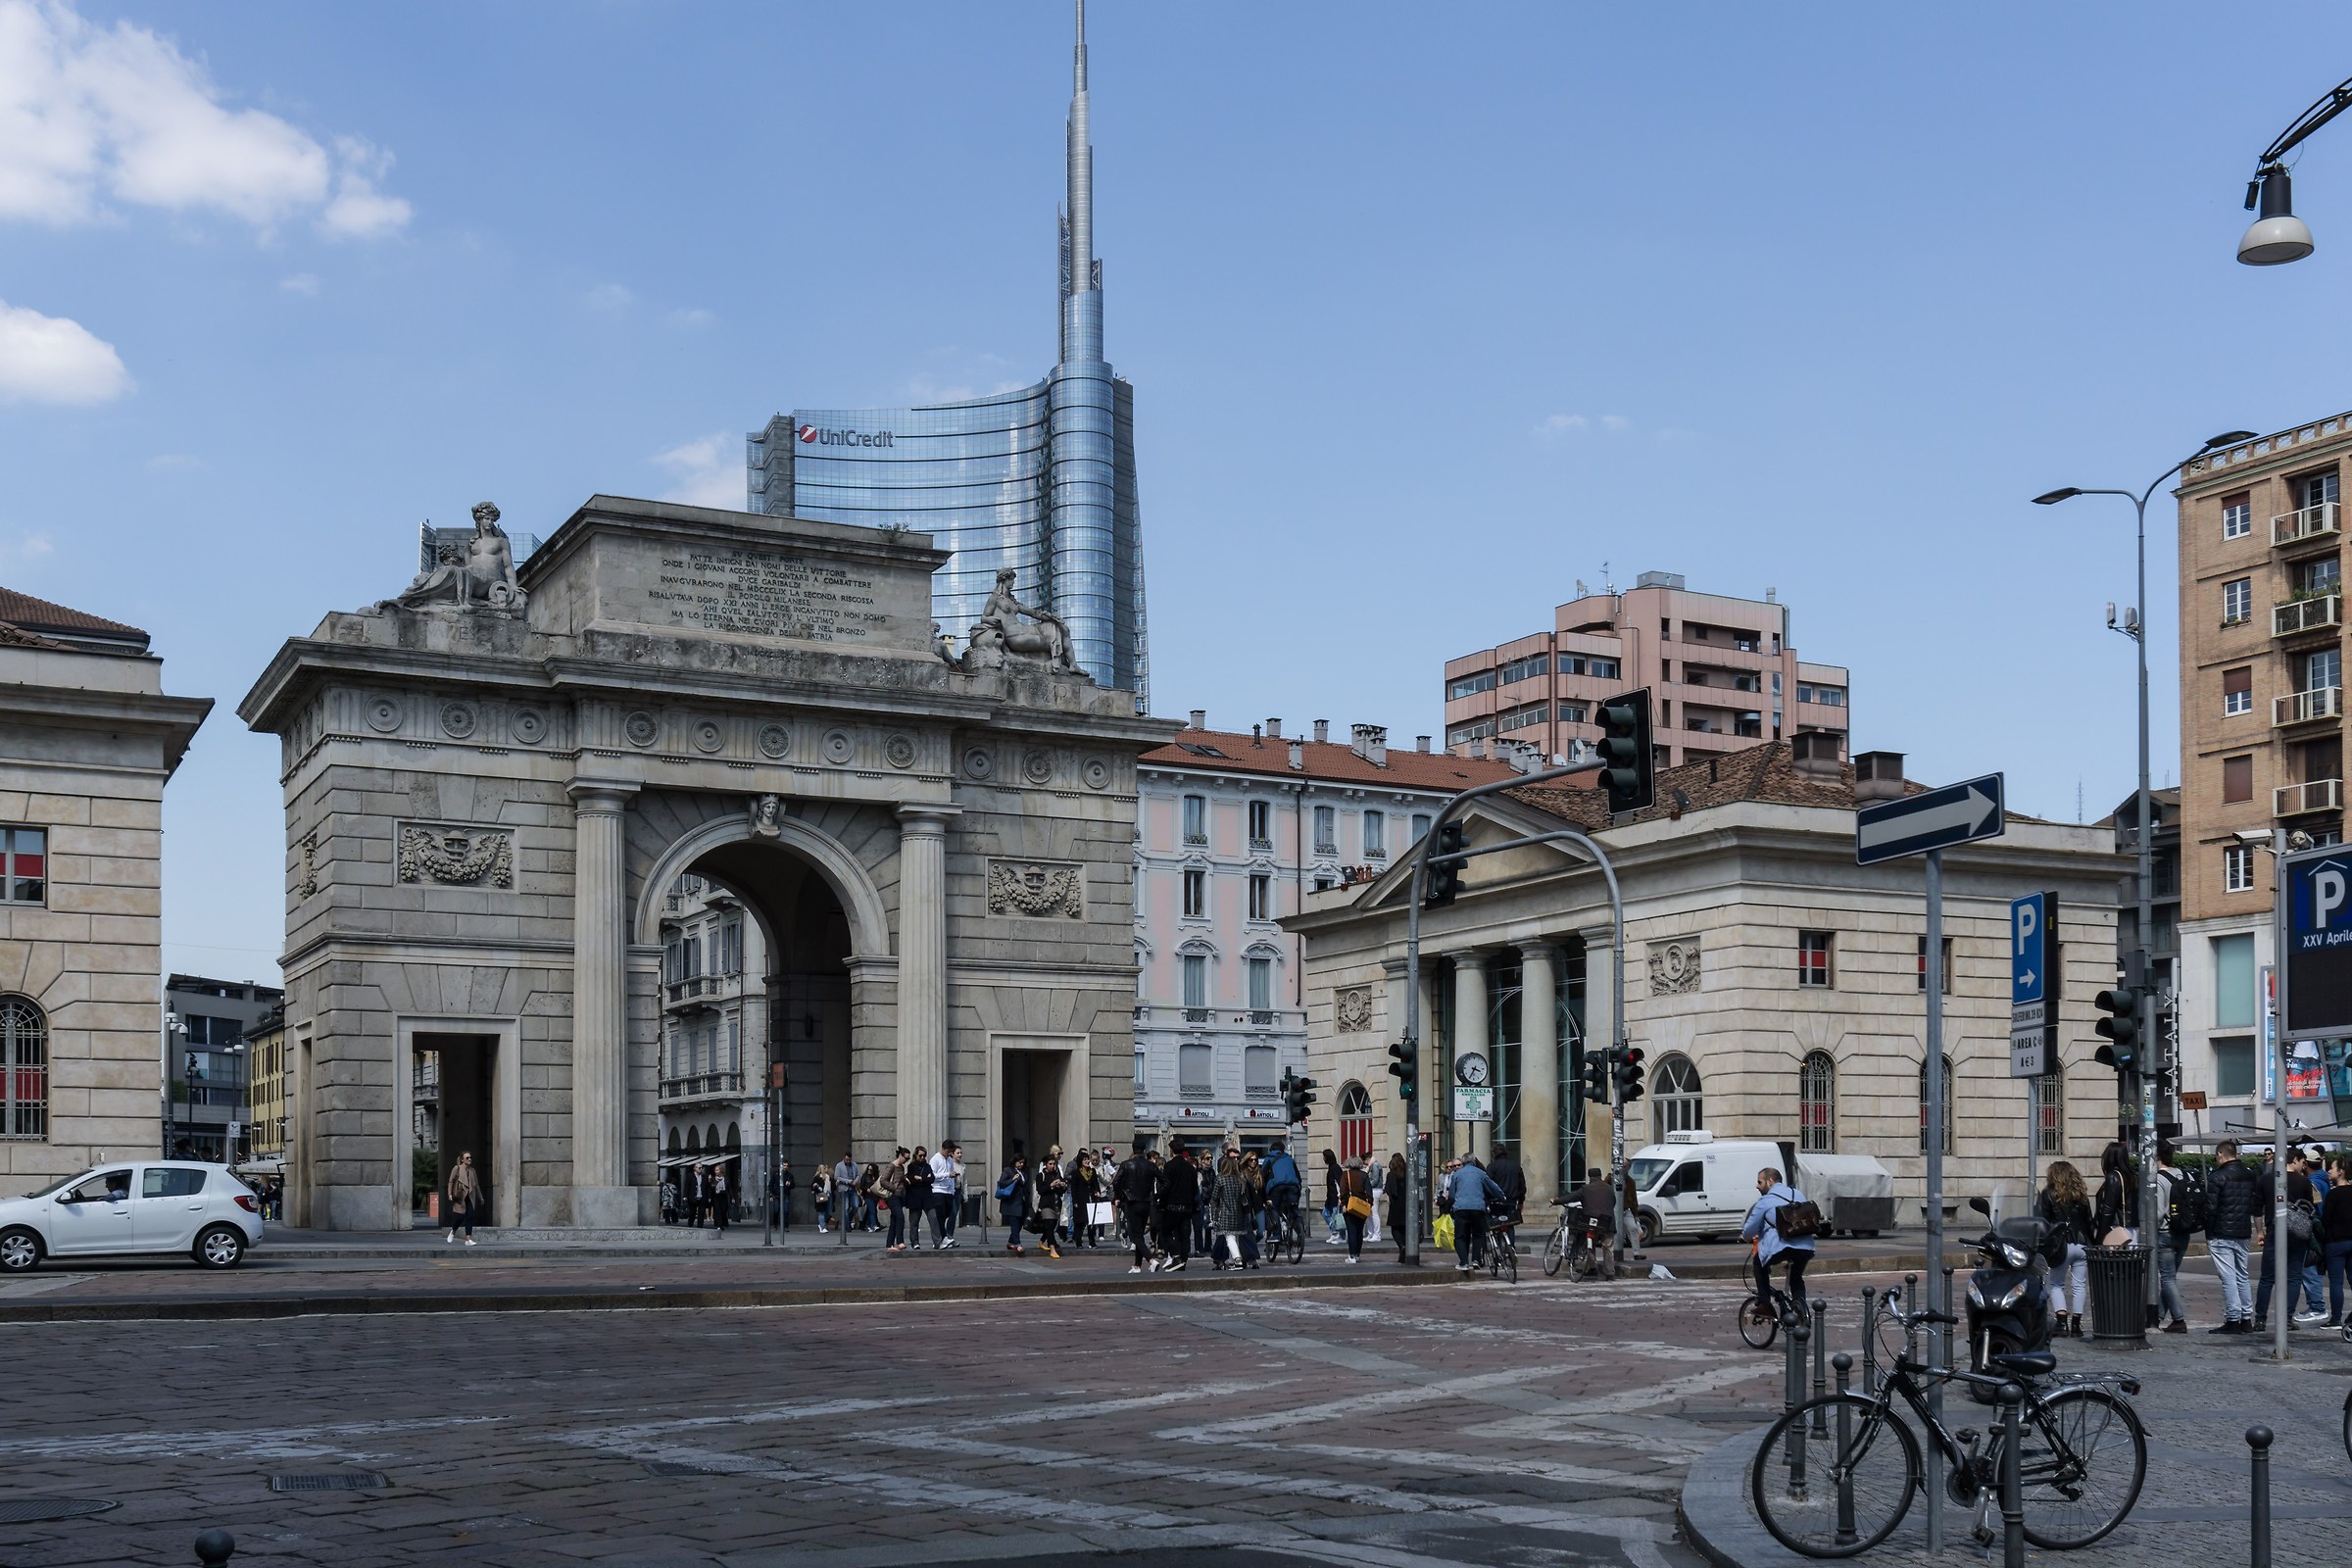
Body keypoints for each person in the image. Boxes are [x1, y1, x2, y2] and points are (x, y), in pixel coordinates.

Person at [2253, 1150, 2322, 1332]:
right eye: (2302, 1161)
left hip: (2274, 1230)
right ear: (2295, 1160)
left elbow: (2257, 1210)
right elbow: (2311, 1208)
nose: (2303, 1165)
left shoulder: (2266, 1180)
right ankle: (2287, 1318)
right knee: (2293, 1277)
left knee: (2267, 1278)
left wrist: (2260, 1232)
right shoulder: (2304, 1182)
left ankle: (2260, 1319)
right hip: (2298, 1234)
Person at [1740, 1165, 1815, 1319]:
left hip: (1781, 1247)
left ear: (1770, 1182)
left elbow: (1750, 1229)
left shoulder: (1765, 1201)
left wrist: (1745, 1237)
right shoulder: (1798, 1193)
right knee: (1796, 1278)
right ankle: (1800, 1310)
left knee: (1759, 1264)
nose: (1757, 1186)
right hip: (1806, 1247)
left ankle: (1765, 1304)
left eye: (1759, 1182)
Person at [2204, 1141, 2261, 1333]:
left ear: (2221, 1154)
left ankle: (2233, 1318)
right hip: (2243, 1231)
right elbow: (2253, 1204)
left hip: (2221, 1232)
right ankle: (2246, 1317)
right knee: (2241, 1275)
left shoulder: (2217, 1177)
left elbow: (2211, 1208)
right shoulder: (2250, 1175)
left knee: (2228, 1277)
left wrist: (2209, 1233)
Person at [2035, 1160, 2094, 1337]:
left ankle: (2061, 1322)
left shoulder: (2049, 1194)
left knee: (2056, 1283)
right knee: (2079, 1285)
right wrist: (2094, 1244)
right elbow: (2089, 1222)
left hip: (2061, 1245)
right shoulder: (2081, 1194)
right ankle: (2076, 1324)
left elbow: (2042, 1222)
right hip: (2082, 1244)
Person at [2154, 1141, 2199, 1332]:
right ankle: (2157, 1317)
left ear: (2156, 1158)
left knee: (2167, 1278)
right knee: (2170, 1277)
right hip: (2184, 1233)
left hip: (2166, 1234)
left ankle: (2179, 1319)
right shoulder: (2185, 1174)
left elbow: (2156, 1214)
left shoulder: (2159, 1179)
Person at [1446, 1155, 1504, 1273]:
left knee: (1460, 1236)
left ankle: (1463, 1262)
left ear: (1463, 1162)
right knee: (1478, 1234)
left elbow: (1452, 1194)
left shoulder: (1457, 1174)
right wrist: (1501, 1196)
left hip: (1461, 1208)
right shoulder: (1481, 1173)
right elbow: (1493, 1187)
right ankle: (1476, 1260)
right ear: (1474, 1162)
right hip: (1478, 1208)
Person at [1155, 1143, 1199, 1271]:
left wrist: (1161, 1202)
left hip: (1172, 1205)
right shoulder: (1190, 1168)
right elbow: (1194, 1188)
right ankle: (1183, 1260)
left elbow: (1166, 1186)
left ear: (1172, 1151)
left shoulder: (1170, 1166)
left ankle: (1176, 1255)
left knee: (1166, 1232)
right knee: (1184, 1234)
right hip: (1187, 1206)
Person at [1115, 1141, 1157, 1272]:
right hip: (1146, 1202)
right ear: (1144, 1150)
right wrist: (1155, 1195)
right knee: (1139, 1233)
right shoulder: (1150, 1165)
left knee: (1135, 1235)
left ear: (1133, 1150)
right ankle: (1137, 1265)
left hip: (1131, 1202)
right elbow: (1165, 1181)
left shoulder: (1126, 1164)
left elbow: (1116, 1181)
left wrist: (1119, 1196)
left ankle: (1151, 1260)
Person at [1570, 1166, 1618, 1279]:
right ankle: (1610, 1273)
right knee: (1608, 1247)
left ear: (1590, 1177)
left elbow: (1571, 1197)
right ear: (1600, 1176)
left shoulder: (1586, 1189)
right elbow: (1613, 1202)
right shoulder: (1609, 1188)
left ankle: (1591, 1267)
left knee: (1589, 1244)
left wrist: (1556, 1200)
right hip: (1607, 1223)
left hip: (1591, 1222)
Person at [2323, 1154, 2352, 1327]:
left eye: (2332, 1168)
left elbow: (2326, 1218)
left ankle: (2335, 1318)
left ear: (2340, 1171)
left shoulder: (2333, 1194)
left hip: (2336, 1241)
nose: (2329, 1171)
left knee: (2336, 1282)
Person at [2092, 1141, 2137, 1243]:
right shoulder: (2131, 1177)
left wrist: (2099, 1238)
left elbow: (2108, 1210)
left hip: (2115, 1229)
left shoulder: (2113, 1177)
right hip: (2130, 1230)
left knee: (2112, 1258)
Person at [1336, 1153, 1375, 1263]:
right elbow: (1369, 1192)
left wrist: (1343, 1204)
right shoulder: (1364, 1175)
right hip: (1362, 1206)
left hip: (1349, 1205)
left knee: (1351, 1231)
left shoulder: (1345, 1175)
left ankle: (1352, 1256)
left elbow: (1343, 1190)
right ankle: (1357, 1254)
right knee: (1359, 1232)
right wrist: (1369, 1205)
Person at [1033, 1150, 1068, 1259]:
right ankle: (1052, 1248)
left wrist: (1062, 1185)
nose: (1052, 1166)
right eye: (1050, 1164)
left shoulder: (1057, 1174)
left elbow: (1063, 1189)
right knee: (1049, 1224)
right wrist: (1051, 1185)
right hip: (1046, 1204)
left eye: (1054, 1164)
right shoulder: (1041, 1175)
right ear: (1045, 1164)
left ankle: (1041, 1241)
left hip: (1056, 1204)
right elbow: (1040, 1190)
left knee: (1052, 1226)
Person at [996, 1153, 1032, 1256]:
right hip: (1011, 1202)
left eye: (1023, 1163)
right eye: (1020, 1162)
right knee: (1014, 1223)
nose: (1021, 1164)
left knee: (1020, 1222)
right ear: (1014, 1162)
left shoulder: (1023, 1172)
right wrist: (1012, 1179)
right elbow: (1002, 1183)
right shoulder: (1008, 1170)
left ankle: (1011, 1241)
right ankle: (1017, 1243)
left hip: (1022, 1202)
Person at [1488, 1142, 1527, 1233]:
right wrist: (1521, 1201)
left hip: (1496, 1201)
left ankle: (1497, 1244)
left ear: (1494, 1154)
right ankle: (1511, 1245)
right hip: (1511, 1200)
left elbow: (1487, 1184)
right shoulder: (1515, 1166)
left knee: (1496, 1224)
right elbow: (1522, 1185)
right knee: (1510, 1225)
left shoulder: (1492, 1166)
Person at [444, 1151, 482, 1245]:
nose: (469, 1159)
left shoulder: (473, 1171)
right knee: (460, 1217)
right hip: (461, 1196)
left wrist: (480, 1197)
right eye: (467, 1158)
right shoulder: (457, 1168)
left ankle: (468, 1239)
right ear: (462, 1159)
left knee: (470, 1217)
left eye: (470, 1157)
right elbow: (451, 1181)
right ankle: (453, 1231)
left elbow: (476, 1185)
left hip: (470, 1196)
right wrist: (449, 1194)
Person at [881, 1149, 913, 1252]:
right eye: (906, 1158)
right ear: (900, 1156)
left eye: (908, 1158)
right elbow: (883, 1180)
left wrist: (904, 1180)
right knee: (900, 1217)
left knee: (894, 1220)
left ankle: (889, 1244)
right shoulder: (892, 1166)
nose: (907, 1160)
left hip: (899, 1196)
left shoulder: (901, 1167)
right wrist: (893, 1188)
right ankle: (900, 1242)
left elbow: (898, 1179)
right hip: (892, 1196)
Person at [1384, 1152, 1409, 1263]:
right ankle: (1404, 1248)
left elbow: (1391, 1191)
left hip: (1396, 1204)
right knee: (1404, 1228)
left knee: (1395, 1228)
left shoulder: (1391, 1175)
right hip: (1407, 1204)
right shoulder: (1407, 1173)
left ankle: (1401, 1246)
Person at [832, 1152, 859, 1243]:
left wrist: (855, 1181)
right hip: (844, 1188)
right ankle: (847, 1226)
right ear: (844, 1158)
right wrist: (847, 1181)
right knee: (846, 1207)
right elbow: (836, 1177)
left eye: (849, 1160)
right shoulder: (839, 1166)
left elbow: (858, 1175)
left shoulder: (854, 1165)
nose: (848, 1161)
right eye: (846, 1159)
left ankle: (848, 1220)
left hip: (853, 1188)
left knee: (855, 1206)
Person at [1322, 1148, 1346, 1244]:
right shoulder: (1332, 1167)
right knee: (1327, 1213)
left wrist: (1340, 1196)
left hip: (1336, 1197)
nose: (1323, 1159)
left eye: (1324, 1157)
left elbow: (1339, 1183)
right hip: (1331, 1197)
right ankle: (1336, 1232)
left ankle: (1341, 1236)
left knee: (1338, 1217)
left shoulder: (1335, 1168)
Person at [811, 1165, 833, 1235]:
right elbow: (812, 1187)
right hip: (820, 1196)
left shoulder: (828, 1177)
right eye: (824, 1168)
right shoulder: (817, 1177)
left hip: (828, 1195)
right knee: (821, 1212)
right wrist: (815, 1186)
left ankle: (822, 1223)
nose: (826, 1169)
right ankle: (822, 1227)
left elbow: (832, 1186)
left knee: (828, 1212)